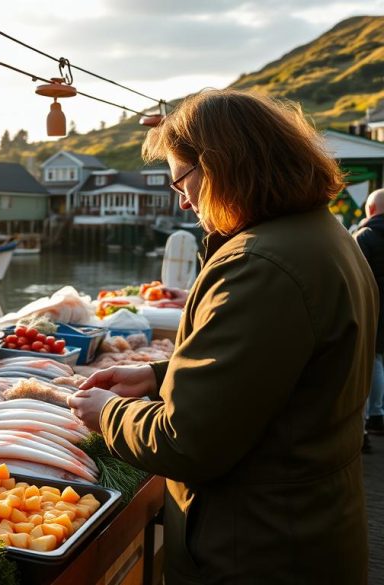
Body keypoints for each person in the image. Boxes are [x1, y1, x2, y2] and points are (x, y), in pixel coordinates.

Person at [67, 89, 376, 584]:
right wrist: (157, 374)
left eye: (180, 178)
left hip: (256, 548)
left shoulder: (258, 265)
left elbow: (186, 444)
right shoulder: (324, 234)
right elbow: (279, 365)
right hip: (307, 525)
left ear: (220, 166)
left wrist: (108, 413)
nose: (180, 195)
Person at [356, 188, 384, 446]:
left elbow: (355, 277)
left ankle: (372, 417)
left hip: (374, 308)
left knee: (371, 359)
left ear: (372, 210)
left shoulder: (365, 236)